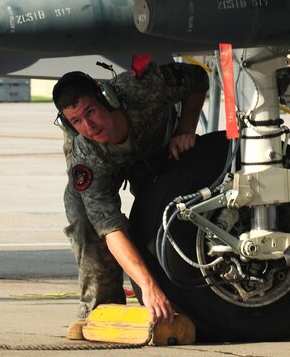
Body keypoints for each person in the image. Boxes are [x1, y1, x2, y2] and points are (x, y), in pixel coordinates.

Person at [52, 61, 209, 338]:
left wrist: (186, 128)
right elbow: (110, 228)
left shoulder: (142, 88)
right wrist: (147, 286)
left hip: (159, 150)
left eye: (91, 112)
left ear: (106, 98)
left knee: (169, 213)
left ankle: (193, 289)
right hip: (108, 166)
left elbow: (197, 78)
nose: (88, 125)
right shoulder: (86, 154)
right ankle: (102, 307)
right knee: (82, 213)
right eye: (77, 121)